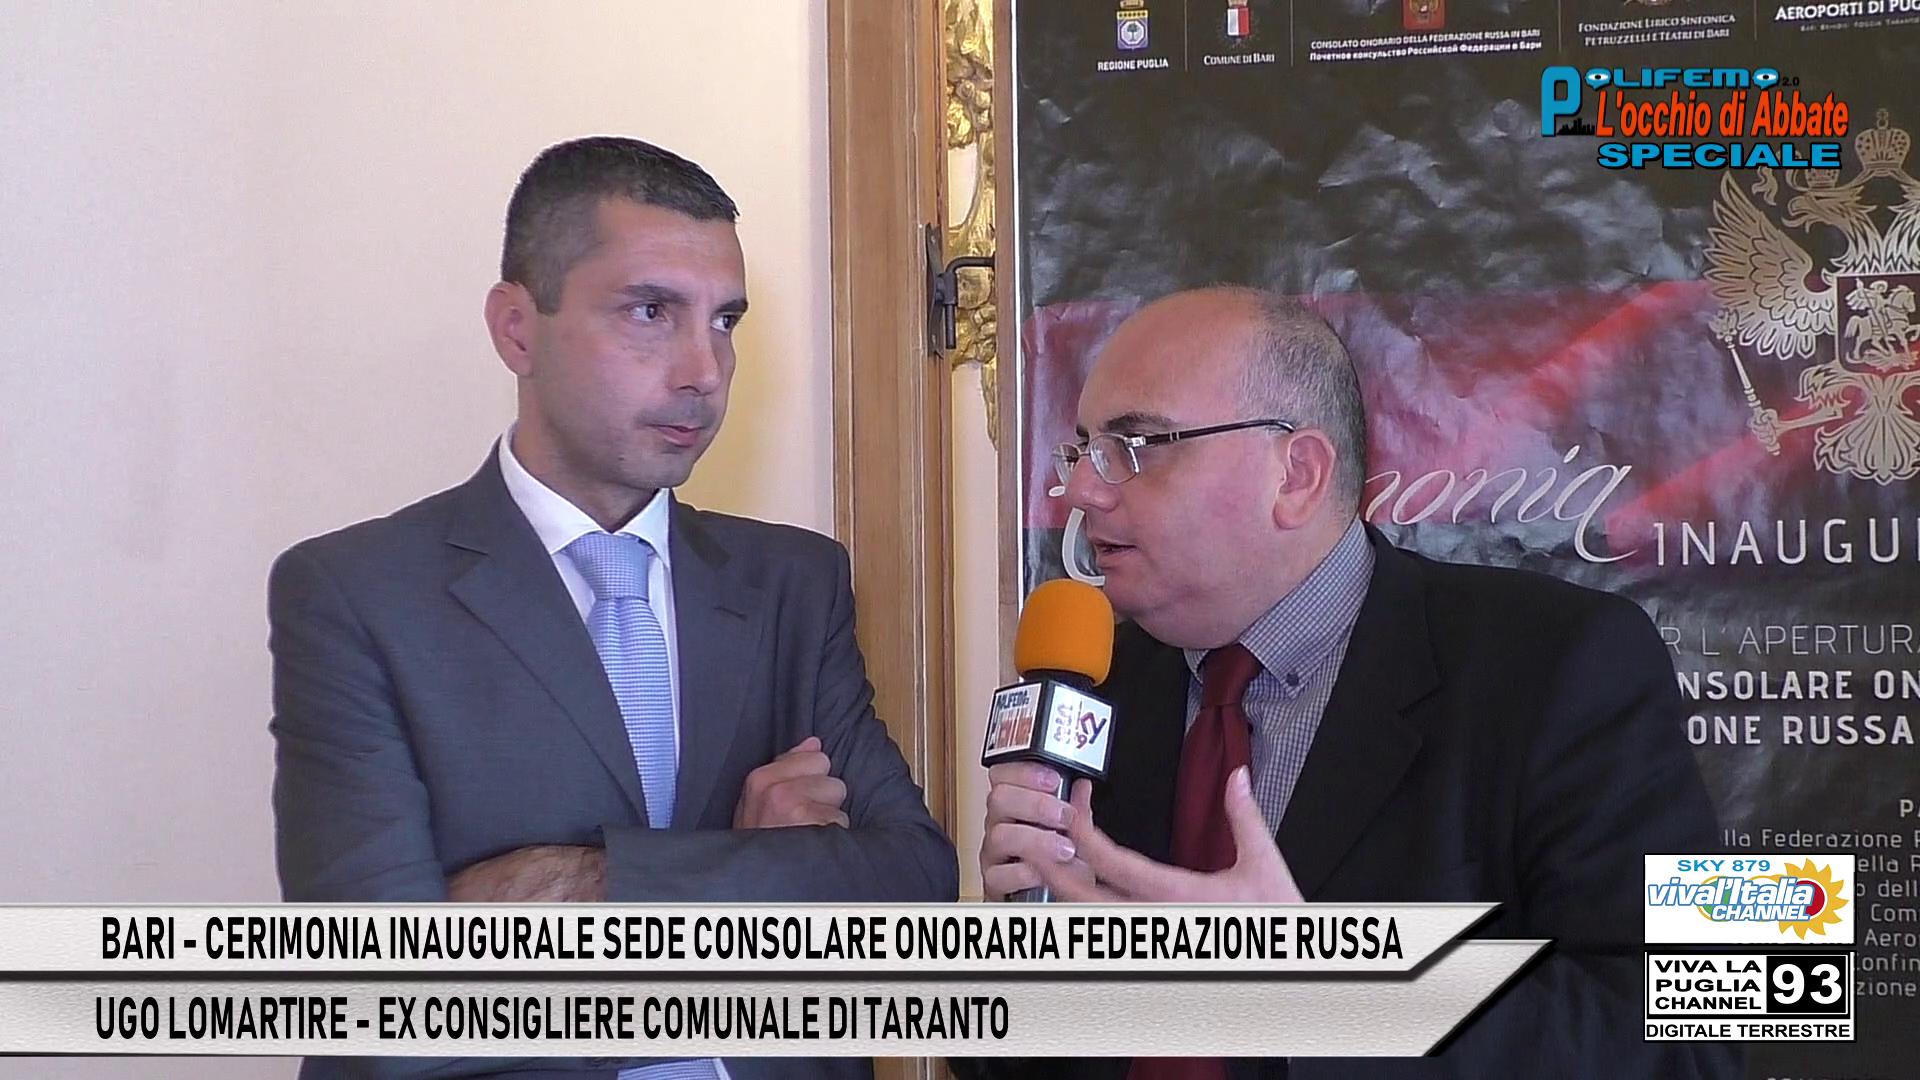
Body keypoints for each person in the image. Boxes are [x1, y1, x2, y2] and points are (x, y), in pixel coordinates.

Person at [269, 137, 957, 1080]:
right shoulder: (356, 593)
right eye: (650, 312)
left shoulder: (795, 583)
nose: (704, 370)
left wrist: (585, 890)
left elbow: (914, 890)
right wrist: (756, 889)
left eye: (725, 321)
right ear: (518, 329)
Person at [964, 287, 1735, 1079]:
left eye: (1137, 446)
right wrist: (1024, 957)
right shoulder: (1097, 695)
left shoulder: (1574, 661)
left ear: (1297, 475)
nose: (1082, 492)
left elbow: (1702, 1045)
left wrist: (1328, 982)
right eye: (1082, 452)